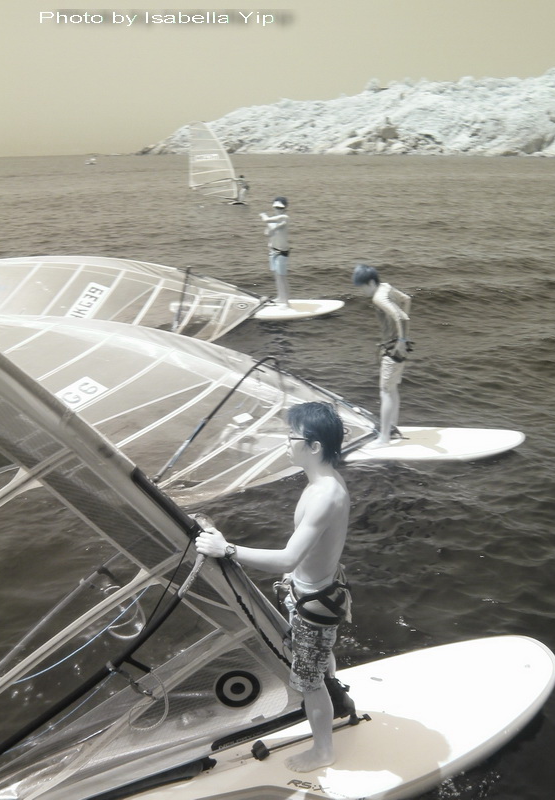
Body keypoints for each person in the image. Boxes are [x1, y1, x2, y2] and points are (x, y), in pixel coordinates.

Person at [195, 401, 353, 772]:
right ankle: (329, 677)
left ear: (313, 447)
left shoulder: (325, 495)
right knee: (317, 663)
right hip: (313, 590)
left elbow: (287, 558)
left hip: (315, 604)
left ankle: (323, 750)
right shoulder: (321, 480)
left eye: (291, 437)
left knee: (308, 682)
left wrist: (226, 549)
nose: (285, 443)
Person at [352, 263, 412, 444]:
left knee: (385, 392)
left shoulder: (378, 298)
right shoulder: (386, 287)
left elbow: (402, 317)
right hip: (398, 349)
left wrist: (401, 340)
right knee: (392, 389)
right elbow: (406, 299)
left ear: (371, 282)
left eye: (362, 287)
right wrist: (403, 338)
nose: (362, 291)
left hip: (392, 349)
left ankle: (384, 438)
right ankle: (392, 428)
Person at [260, 196, 290, 306]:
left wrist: (263, 215)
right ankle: (280, 297)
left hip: (282, 252)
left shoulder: (285, 217)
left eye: (280, 208)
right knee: (277, 276)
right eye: (276, 207)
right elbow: (267, 233)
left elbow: (267, 220)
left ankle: (286, 303)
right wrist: (270, 228)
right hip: (273, 251)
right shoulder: (273, 221)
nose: (278, 210)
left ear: (285, 208)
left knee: (282, 277)